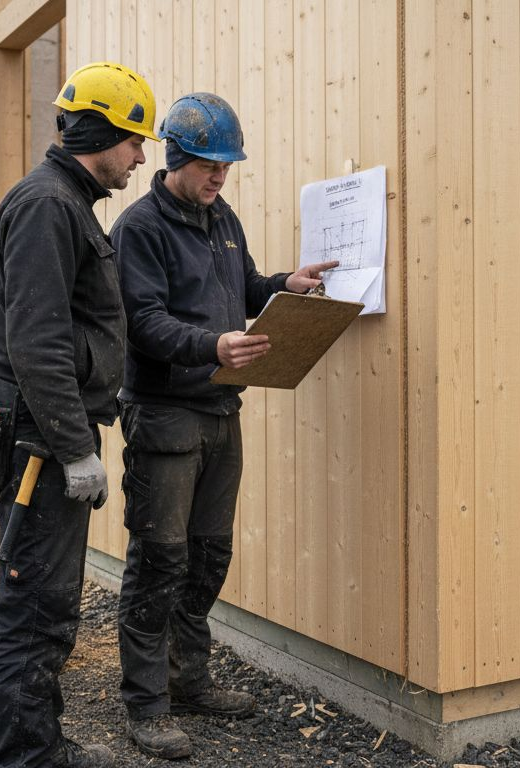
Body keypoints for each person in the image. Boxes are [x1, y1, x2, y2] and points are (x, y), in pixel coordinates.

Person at [109, 92, 338, 759]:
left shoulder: (222, 218)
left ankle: (190, 682)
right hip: (163, 414)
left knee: (208, 555)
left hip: (219, 409)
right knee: (160, 558)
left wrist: (281, 286)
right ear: (177, 156)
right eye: (210, 165)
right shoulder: (140, 228)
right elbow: (143, 322)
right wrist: (211, 347)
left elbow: (240, 289)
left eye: (227, 167)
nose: (220, 177)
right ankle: (145, 705)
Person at [0, 61, 158, 768]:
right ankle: (26, 757)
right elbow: (38, 342)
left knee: (46, 599)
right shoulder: (50, 207)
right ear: (105, 133)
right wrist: (75, 448)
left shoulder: (66, 204)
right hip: (38, 440)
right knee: (35, 604)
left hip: (45, 432)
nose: (141, 157)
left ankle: (38, 742)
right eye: (136, 141)